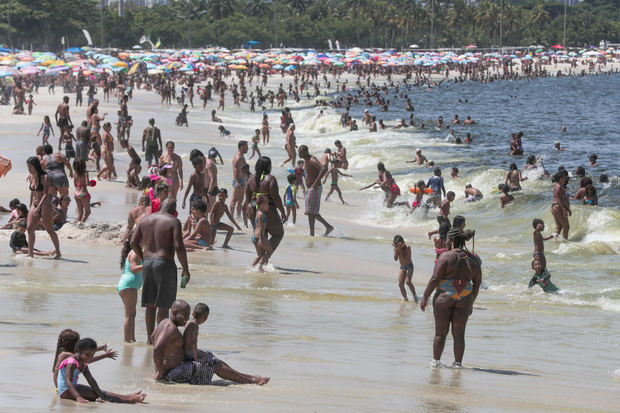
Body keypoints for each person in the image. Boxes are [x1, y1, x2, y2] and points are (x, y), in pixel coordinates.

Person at [151, 300, 269, 385]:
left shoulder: (164, 322)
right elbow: (156, 348)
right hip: (171, 374)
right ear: (175, 312)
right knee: (213, 363)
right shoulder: (170, 328)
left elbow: (152, 338)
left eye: (188, 314)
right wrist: (160, 371)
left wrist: (167, 357)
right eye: (185, 315)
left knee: (211, 357)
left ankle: (248, 377)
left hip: (172, 369)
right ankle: (251, 380)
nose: (187, 318)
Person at [420, 228, 482, 368]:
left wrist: (425, 297)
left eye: (448, 239)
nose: (446, 241)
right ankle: (457, 364)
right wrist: (471, 301)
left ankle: (436, 362)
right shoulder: (474, 259)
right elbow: (477, 283)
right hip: (465, 298)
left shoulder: (446, 257)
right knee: (459, 334)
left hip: (444, 297)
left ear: (452, 240)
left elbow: (435, 279)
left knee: (440, 333)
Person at [130, 199, 190, 344]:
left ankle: (149, 340)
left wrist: (143, 257)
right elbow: (179, 246)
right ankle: (159, 340)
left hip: (148, 263)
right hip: (165, 263)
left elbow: (132, 242)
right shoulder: (173, 221)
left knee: (150, 305)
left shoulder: (145, 220)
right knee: (163, 306)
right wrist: (186, 269)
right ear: (174, 209)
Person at [56, 337, 146, 403]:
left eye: (92, 355)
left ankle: (127, 396)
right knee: (97, 395)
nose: (90, 358)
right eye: (87, 355)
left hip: (73, 387)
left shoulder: (83, 362)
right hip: (65, 391)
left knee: (100, 392)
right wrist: (78, 397)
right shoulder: (71, 362)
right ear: (79, 351)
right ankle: (130, 400)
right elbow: (68, 381)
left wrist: (99, 394)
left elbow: (90, 379)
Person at [242, 156, 286, 258]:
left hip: (251, 209)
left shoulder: (250, 179)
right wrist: (283, 211)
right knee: (278, 234)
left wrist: (244, 213)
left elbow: (247, 199)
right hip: (267, 209)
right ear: (269, 167)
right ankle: (265, 259)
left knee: (261, 235)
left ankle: (261, 259)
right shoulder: (270, 179)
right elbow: (275, 198)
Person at [26, 156, 61, 259]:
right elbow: (32, 193)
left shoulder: (44, 177)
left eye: (30, 166)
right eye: (28, 166)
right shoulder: (31, 176)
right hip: (35, 204)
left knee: (49, 230)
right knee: (29, 228)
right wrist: (31, 205)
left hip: (45, 205)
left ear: (35, 166)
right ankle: (30, 254)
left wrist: (38, 208)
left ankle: (58, 252)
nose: (28, 168)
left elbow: (45, 194)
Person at [298, 145, 334, 236]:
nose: (299, 154)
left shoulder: (311, 159)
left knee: (310, 212)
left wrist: (315, 182)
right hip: (311, 188)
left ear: (306, 152)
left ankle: (313, 234)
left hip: (314, 188)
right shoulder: (306, 160)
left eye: (300, 152)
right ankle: (326, 227)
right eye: (298, 152)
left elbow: (324, 168)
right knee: (311, 212)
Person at [118, 233, 144, 343]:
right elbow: (133, 268)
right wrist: (148, 264)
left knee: (132, 314)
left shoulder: (137, 252)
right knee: (129, 315)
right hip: (129, 286)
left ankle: (132, 339)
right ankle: (127, 341)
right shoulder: (134, 253)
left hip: (129, 286)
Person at [251, 196, 273, 271]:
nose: (268, 206)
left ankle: (251, 268)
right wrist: (261, 238)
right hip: (259, 237)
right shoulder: (262, 215)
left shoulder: (258, 212)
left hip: (254, 236)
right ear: (261, 205)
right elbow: (260, 227)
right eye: (266, 204)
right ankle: (259, 267)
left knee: (259, 255)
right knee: (270, 251)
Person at [393, 235, 417, 302]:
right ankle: (405, 299)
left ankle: (415, 296)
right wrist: (397, 249)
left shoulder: (407, 247)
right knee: (400, 284)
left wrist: (400, 249)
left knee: (408, 282)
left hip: (409, 266)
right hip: (402, 267)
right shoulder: (396, 248)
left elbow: (406, 257)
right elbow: (395, 259)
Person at [551, 171, 571, 239]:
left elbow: (561, 199)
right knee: (566, 227)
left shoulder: (558, 185)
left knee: (559, 227)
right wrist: (563, 209)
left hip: (556, 207)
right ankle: (565, 242)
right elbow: (557, 197)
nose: (565, 179)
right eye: (564, 177)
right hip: (558, 207)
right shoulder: (559, 186)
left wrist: (568, 209)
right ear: (560, 178)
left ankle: (555, 241)